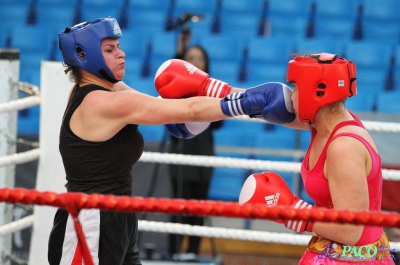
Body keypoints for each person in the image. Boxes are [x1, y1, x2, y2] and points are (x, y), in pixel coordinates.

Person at [47, 17, 296, 265]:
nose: (121, 54)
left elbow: (163, 105)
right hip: (88, 222)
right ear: (84, 56)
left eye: (118, 46)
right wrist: (249, 101)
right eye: (110, 50)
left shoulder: (110, 90)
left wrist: (237, 93)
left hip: (118, 214)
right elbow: (190, 111)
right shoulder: (100, 102)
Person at [236, 53, 395, 264]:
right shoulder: (324, 123)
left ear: (316, 92)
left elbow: (350, 232)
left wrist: (293, 212)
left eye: (296, 88)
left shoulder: (343, 148)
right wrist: (214, 90)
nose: (291, 97)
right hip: (330, 252)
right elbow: (266, 104)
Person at [165, 31, 223, 261]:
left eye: (200, 58)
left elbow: (217, 125)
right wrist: (179, 50)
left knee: (199, 207)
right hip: (180, 152)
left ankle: (193, 254)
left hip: (204, 153)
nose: (195, 62)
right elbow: (168, 77)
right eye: (190, 58)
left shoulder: (212, 90)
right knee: (178, 206)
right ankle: (171, 254)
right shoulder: (175, 90)